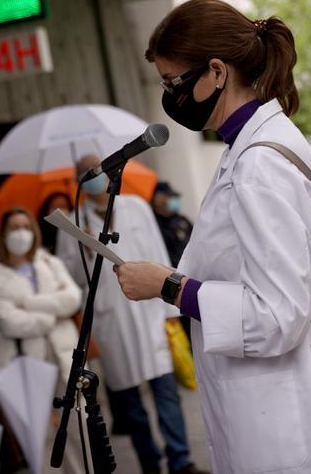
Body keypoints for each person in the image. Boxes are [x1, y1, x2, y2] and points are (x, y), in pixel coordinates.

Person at [113, 0, 311, 473]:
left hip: (287, 413)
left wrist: (169, 286)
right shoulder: (255, 146)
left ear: (216, 71)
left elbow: (277, 315)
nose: (168, 94)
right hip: (283, 398)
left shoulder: (259, 164)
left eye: (171, 82)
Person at [64, 155, 204, 474]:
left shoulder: (136, 208)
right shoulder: (71, 224)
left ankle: (181, 460)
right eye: (85, 173)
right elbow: (71, 277)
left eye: (97, 170)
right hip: (110, 322)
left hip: (150, 315)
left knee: (166, 391)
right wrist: (82, 247)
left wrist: (170, 314)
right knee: (130, 404)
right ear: (78, 182)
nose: (94, 177)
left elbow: (158, 256)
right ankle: (150, 463)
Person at [0, 208, 85, 474]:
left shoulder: (48, 262)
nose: (20, 233)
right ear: (2, 235)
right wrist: (52, 314)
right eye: (13, 228)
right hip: (25, 361)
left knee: (77, 425)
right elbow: (10, 321)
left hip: (63, 355)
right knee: (40, 432)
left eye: (25, 226)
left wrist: (28, 304)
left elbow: (72, 298)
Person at [151, 181, 193, 268]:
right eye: (169, 196)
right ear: (157, 199)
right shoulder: (152, 224)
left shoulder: (182, 220)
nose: (174, 200)